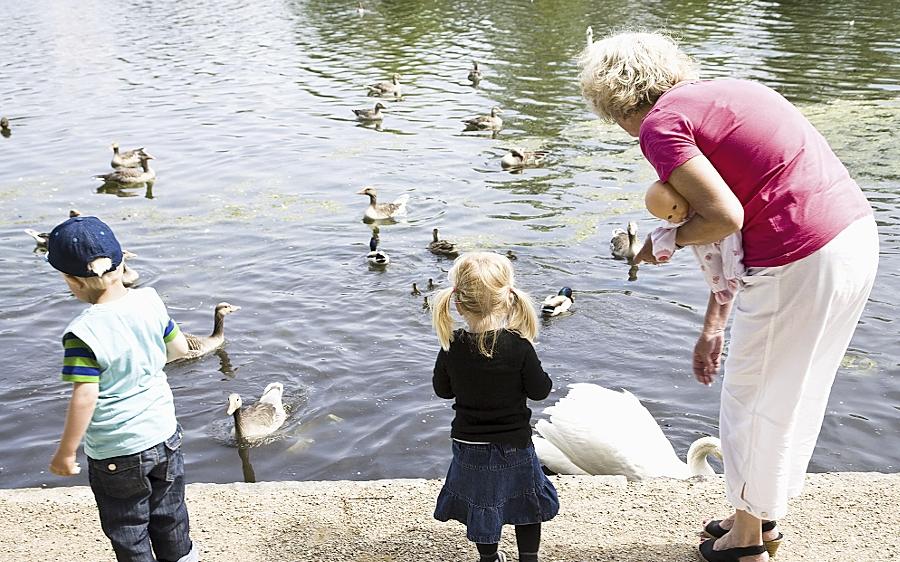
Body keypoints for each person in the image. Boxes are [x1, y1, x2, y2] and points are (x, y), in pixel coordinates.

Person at [579, 31, 878, 562]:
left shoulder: (660, 125)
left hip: (801, 258)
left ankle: (746, 544)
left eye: (615, 120)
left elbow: (722, 219)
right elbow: (737, 228)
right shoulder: (731, 92)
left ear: (617, 101)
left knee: (751, 402)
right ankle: (758, 517)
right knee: (793, 393)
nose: (627, 135)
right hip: (853, 238)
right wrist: (715, 322)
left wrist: (660, 243)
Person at [46, 215, 198, 562]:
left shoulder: (83, 332)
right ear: (122, 263)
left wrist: (66, 452)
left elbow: (85, 395)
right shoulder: (150, 301)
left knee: (127, 526)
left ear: (72, 281)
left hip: (117, 452)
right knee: (171, 516)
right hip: (164, 435)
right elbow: (178, 351)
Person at [431, 252, 559, 562]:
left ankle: (488, 559)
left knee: (483, 504)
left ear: (458, 304)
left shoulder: (452, 345)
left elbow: (442, 391)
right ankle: (529, 558)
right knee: (527, 504)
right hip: (514, 444)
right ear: (507, 301)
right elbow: (540, 391)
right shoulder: (519, 345)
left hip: (468, 446)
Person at [645, 180, 745, 305]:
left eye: (675, 207)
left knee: (731, 253)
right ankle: (720, 289)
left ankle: (734, 276)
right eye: (669, 216)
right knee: (709, 267)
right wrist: (662, 251)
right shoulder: (676, 221)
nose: (676, 215)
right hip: (705, 246)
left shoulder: (699, 206)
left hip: (725, 236)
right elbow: (661, 234)